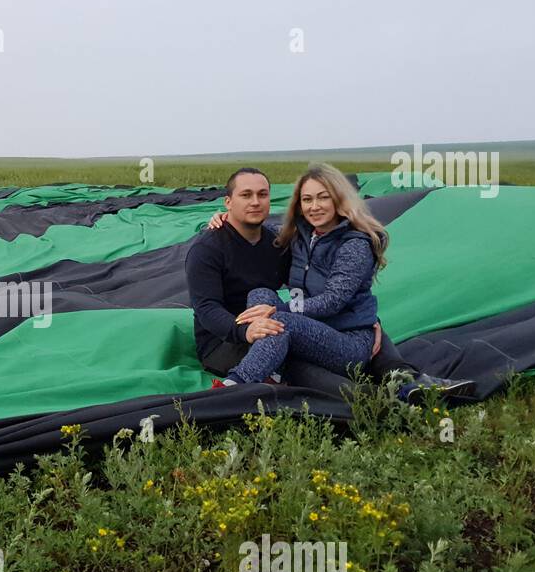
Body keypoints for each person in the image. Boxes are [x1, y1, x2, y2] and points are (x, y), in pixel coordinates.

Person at [187, 165, 472, 400]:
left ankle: (236, 388)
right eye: (245, 195)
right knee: (268, 308)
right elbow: (206, 308)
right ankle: (372, 395)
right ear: (228, 202)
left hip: (330, 334)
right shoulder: (284, 240)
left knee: (283, 329)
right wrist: (248, 330)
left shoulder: (330, 243)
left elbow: (335, 298)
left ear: (339, 199)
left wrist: (369, 321)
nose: (255, 202)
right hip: (231, 338)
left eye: (262, 194)